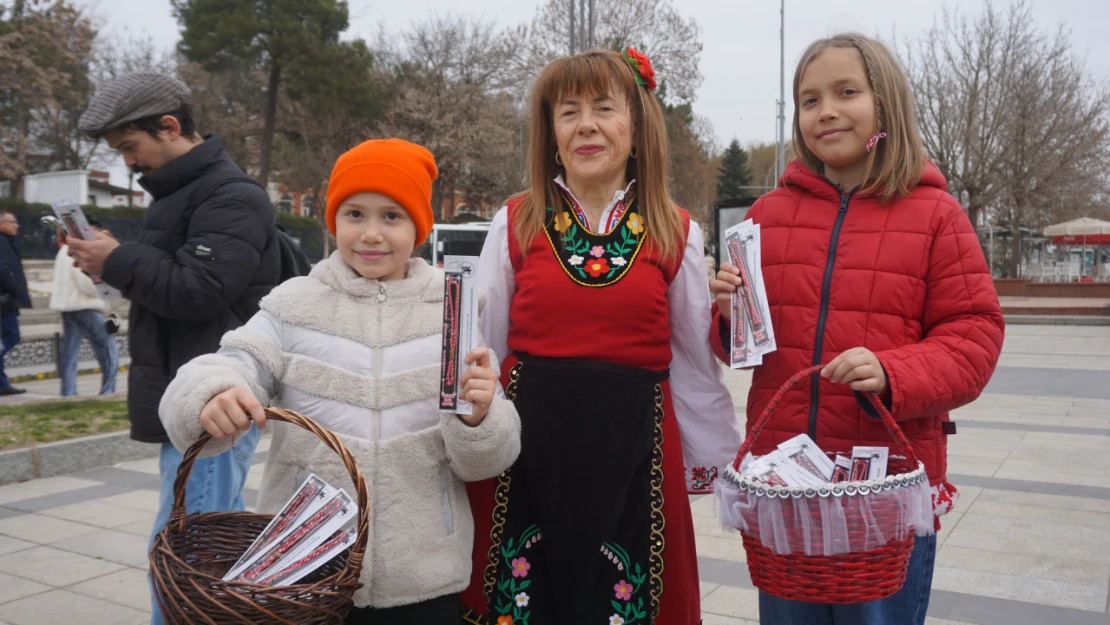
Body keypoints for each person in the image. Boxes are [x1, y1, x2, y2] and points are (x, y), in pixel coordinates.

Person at [160, 138, 521, 623]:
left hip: (425, 576)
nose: (371, 234)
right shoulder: (293, 305)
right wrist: (212, 394)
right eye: (355, 214)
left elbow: (485, 460)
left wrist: (481, 419)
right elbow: (231, 362)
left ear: (419, 226)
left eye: (391, 216)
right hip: (305, 570)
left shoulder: (452, 312)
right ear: (333, 220)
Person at [709, 33, 1004, 625]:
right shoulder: (768, 215)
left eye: (847, 92)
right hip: (786, 489)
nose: (827, 111)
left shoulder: (935, 215)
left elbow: (974, 334)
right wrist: (725, 312)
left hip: (884, 494)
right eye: (810, 99)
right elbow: (744, 349)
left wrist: (894, 372)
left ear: (884, 105)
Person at [461, 48, 740, 625]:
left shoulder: (674, 228)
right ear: (552, 135)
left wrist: (711, 453)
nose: (585, 124)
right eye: (568, 112)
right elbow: (480, 347)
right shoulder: (515, 221)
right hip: (529, 454)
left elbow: (691, 356)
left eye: (604, 107)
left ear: (635, 129)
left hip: (635, 451)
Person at [70, 72, 282, 624]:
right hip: (191, 401)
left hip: (214, 407)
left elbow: (199, 290)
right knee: (193, 552)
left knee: (189, 560)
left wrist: (116, 260)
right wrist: (114, 259)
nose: (128, 164)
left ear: (169, 127)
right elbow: (176, 281)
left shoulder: (230, 195)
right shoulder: (181, 193)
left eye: (130, 148)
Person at [49, 219, 119, 396]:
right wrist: (106, 288)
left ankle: (68, 393)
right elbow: (86, 283)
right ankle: (108, 390)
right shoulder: (78, 249)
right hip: (85, 306)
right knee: (109, 349)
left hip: (68, 306)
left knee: (70, 353)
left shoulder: (64, 249)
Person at [0, 209, 30, 396]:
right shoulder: (1, 242)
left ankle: (2, 383)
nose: (17, 225)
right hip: (5, 301)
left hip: (7, 301)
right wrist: (17, 291)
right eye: (13, 222)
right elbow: (2, 270)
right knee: (11, 337)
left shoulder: (7, 242)